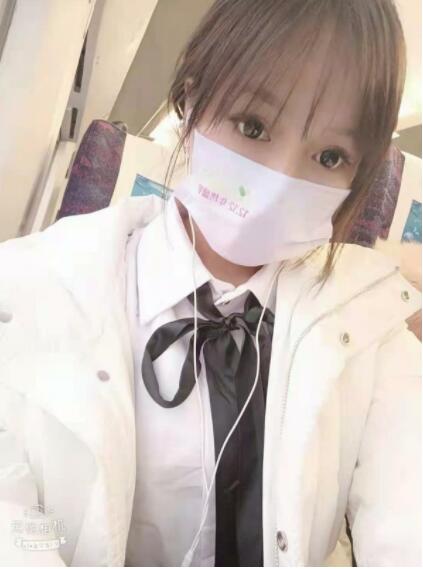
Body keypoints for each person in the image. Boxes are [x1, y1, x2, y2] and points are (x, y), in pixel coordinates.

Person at [0, 0, 421, 566]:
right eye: (254, 126)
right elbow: (14, 522)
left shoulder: (371, 328)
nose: (278, 181)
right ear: (191, 99)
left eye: (328, 156)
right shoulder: (31, 290)